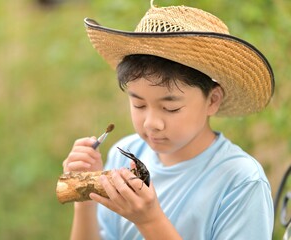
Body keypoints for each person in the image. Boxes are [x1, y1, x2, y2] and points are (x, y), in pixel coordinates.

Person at [62, 1, 275, 239]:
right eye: (139, 104)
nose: (151, 123)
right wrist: (85, 194)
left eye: (170, 108)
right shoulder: (126, 153)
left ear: (212, 100)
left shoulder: (241, 182)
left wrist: (150, 221)